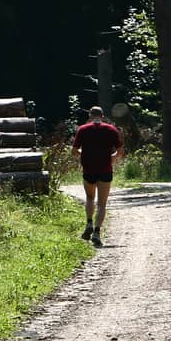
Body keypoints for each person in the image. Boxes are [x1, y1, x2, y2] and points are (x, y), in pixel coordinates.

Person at [71, 106, 123, 247]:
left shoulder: (82, 129)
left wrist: (84, 154)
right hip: (105, 169)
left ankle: (89, 223)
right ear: (102, 115)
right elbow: (120, 152)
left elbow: (74, 151)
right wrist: (112, 158)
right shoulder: (111, 130)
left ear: (89, 115)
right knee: (102, 203)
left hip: (89, 169)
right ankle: (97, 232)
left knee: (89, 198)